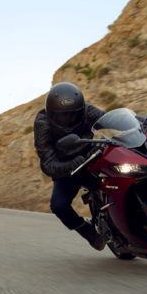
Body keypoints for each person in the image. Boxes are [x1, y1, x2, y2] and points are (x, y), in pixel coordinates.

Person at [33, 82, 107, 250]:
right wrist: (68, 166)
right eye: (62, 115)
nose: (67, 119)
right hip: (66, 169)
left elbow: (111, 120)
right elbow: (47, 163)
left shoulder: (86, 110)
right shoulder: (42, 124)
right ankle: (87, 231)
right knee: (58, 205)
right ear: (51, 114)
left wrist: (142, 121)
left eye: (72, 114)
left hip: (92, 154)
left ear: (79, 110)